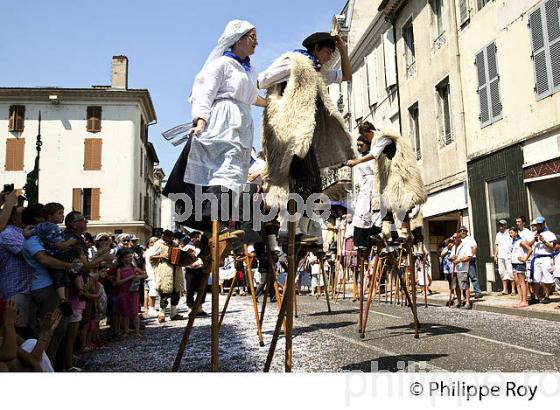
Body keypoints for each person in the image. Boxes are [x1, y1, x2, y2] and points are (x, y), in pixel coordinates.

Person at [163, 20, 262, 264]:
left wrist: (278, 104)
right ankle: (215, 221)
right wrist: (200, 120)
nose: (256, 42)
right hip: (222, 118)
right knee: (222, 170)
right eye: (252, 36)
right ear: (238, 39)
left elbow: (253, 98)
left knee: (235, 172)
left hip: (242, 122)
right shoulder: (221, 64)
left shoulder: (249, 69)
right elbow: (204, 93)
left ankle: (225, 222)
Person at [258, 32, 354, 240]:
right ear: (317, 48)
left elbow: (346, 75)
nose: (329, 57)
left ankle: (300, 227)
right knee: (306, 179)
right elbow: (262, 80)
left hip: (305, 135)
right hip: (289, 133)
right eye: (328, 51)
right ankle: (287, 226)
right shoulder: (295, 64)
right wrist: (281, 105)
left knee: (315, 184)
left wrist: (343, 50)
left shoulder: (316, 71)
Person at [32, 203, 81, 317]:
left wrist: (26, 232)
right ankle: (66, 298)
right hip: (57, 254)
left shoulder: (40, 226)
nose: (62, 216)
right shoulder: (54, 227)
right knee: (64, 273)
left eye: (63, 213)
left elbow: (28, 233)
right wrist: (70, 242)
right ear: (49, 216)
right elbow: (59, 245)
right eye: (59, 213)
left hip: (51, 253)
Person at [0, 205, 33, 336]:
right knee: (17, 330)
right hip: (16, 290)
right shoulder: (8, 234)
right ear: (14, 218)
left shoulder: (25, 233)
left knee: (29, 329)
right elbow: (28, 254)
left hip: (28, 288)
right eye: (24, 214)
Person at [152, 230, 184, 322]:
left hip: (176, 270)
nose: (170, 239)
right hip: (165, 270)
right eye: (168, 237)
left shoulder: (175, 244)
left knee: (176, 291)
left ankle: (173, 313)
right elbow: (150, 256)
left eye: (171, 237)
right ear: (164, 237)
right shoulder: (158, 244)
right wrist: (161, 256)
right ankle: (161, 313)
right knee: (165, 292)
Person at [114, 248, 146, 338]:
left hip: (133, 293)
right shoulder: (119, 270)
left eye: (131, 257)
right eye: (127, 257)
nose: (130, 259)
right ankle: (126, 331)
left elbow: (145, 275)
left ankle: (137, 331)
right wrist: (130, 277)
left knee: (135, 313)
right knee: (125, 313)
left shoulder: (134, 268)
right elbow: (118, 282)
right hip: (123, 293)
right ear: (122, 259)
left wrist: (138, 277)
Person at [525, 216, 557, 304]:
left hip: (545, 257)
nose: (538, 226)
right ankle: (537, 296)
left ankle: (547, 296)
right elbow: (527, 244)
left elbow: (553, 247)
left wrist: (544, 241)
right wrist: (534, 239)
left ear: (543, 224)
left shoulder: (549, 234)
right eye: (537, 224)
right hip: (536, 258)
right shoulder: (535, 234)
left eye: (540, 224)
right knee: (535, 278)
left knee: (547, 278)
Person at [183, 231, 208, 315]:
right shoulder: (187, 247)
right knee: (190, 289)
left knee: (202, 288)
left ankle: (199, 308)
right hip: (191, 271)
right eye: (195, 237)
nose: (197, 238)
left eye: (198, 237)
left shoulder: (202, 247)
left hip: (201, 269)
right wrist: (190, 265)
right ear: (191, 238)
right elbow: (183, 261)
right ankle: (190, 307)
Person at [458, 226, 483, 299]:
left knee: (473, 276)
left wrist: (471, 256)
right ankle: (466, 294)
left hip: (469, 260)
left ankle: (478, 292)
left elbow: (474, 247)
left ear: (466, 232)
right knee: (464, 278)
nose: (462, 232)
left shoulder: (470, 239)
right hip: (461, 261)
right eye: (461, 231)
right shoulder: (458, 240)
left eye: (464, 231)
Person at [449, 235, 473, 309]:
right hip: (454, 269)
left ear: (459, 238)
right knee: (456, 287)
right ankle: (459, 302)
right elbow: (451, 257)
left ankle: (467, 303)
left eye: (455, 238)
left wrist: (459, 260)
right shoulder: (454, 247)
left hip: (462, 269)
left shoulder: (465, 246)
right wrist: (452, 259)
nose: (453, 239)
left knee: (465, 286)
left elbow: (469, 257)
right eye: (453, 238)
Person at [510, 227, 529, 308]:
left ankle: (524, 301)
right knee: (517, 282)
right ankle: (521, 300)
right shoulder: (513, 242)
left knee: (522, 282)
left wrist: (525, 258)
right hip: (514, 263)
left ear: (516, 233)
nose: (510, 234)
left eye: (512, 232)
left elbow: (529, 249)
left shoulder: (520, 241)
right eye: (509, 233)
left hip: (520, 263)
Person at [494, 219, 514, 295]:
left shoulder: (509, 233)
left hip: (509, 255)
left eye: (502, 225)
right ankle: (505, 289)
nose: (501, 227)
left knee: (510, 272)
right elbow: (497, 245)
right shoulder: (498, 234)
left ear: (505, 225)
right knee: (502, 272)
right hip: (500, 255)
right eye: (500, 225)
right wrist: (495, 255)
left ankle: (513, 289)